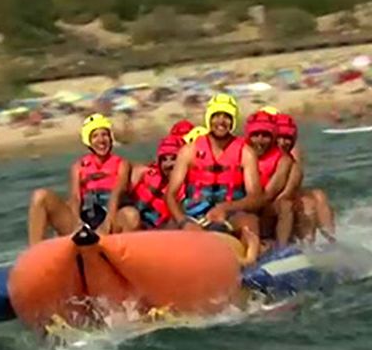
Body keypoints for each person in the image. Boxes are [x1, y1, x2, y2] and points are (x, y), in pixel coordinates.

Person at [164, 93, 266, 242]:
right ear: (208, 119)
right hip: (193, 216)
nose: (221, 121)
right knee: (168, 228)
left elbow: (256, 197)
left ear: (233, 121)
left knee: (249, 222)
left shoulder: (245, 153)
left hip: (230, 216)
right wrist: (183, 222)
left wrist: (225, 208)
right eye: (216, 116)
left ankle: (250, 261)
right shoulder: (189, 151)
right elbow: (170, 195)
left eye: (226, 116)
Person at [26, 114, 133, 245]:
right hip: (85, 220)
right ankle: (35, 253)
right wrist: (77, 224)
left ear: (110, 138)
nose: (101, 140)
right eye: (95, 136)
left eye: (105, 134)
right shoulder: (78, 167)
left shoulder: (122, 164)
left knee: (130, 215)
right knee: (40, 196)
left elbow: (117, 193)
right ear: (88, 141)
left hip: (112, 218)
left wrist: (108, 221)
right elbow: (76, 198)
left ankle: (126, 257)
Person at [112, 124, 191, 233]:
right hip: (133, 225)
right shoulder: (144, 173)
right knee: (130, 215)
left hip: (161, 232)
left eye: (174, 159)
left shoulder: (188, 184)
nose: (168, 164)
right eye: (164, 159)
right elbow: (120, 195)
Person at [273, 113, 335, 242]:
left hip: (287, 194)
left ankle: (331, 240)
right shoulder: (257, 151)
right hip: (272, 200)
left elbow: (295, 181)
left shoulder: (292, 150)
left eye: (286, 137)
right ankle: (305, 244)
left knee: (319, 195)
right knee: (306, 205)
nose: (283, 142)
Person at [244, 111, 296, 246]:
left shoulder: (284, 160)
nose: (260, 141)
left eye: (265, 136)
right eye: (255, 135)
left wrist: (233, 206)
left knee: (285, 206)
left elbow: (268, 196)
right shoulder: (240, 152)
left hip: (263, 208)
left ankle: (282, 249)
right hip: (239, 204)